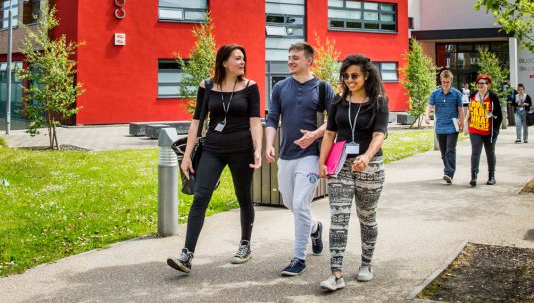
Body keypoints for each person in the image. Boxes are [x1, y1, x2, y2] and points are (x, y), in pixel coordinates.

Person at [167, 44, 262, 273]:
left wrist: (258, 149)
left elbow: (255, 121)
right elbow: (196, 122)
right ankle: (187, 255)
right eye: (238, 58)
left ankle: (245, 244)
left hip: (242, 149)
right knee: (200, 197)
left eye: (243, 58)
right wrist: (187, 155)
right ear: (224, 62)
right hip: (212, 148)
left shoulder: (250, 87)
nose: (242, 62)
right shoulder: (207, 86)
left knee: (243, 196)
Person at [318, 54, 389, 291]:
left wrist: (367, 156)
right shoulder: (338, 102)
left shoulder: (379, 102)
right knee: (338, 217)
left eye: (355, 75)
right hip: (341, 165)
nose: (350, 80)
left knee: (367, 217)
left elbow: (379, 134)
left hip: (370, 166)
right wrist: (322, 163)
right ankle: (336, 273)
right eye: (346, 76)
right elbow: (330, 134)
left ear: (366, 75)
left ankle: (366, 264)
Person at [265, 42, 335, 276]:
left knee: (300, 204)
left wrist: (315, 135)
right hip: (285, 155)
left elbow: (336, 121)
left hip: (311, 155)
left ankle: (298, 258)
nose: (290, 61)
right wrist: (268, 145)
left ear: (309, 61)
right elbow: (272, 118)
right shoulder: (280, 87)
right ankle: (315, 227)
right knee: (289, 203)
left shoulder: (323, 88)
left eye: (295, 58)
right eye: (289, 57)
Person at [425, 70, 465, 184]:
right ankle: (447, 170)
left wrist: (462, 121)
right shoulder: (435, 93)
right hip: (440, 127)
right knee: (443, 152)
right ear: (441, 81)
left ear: (451, 81)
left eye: (447, 82)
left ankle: (449, 173)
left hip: (452, 126)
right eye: (443, 82)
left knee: (450, 150)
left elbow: (460, 109)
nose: (445, 84)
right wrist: (427, 116)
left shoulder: (457, 93)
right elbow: (429, 106)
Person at [467, 74, 502, 186]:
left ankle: (491, 176)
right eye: (478, 83)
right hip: (475, 128)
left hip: (489, 130)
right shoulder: (472, 96)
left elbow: (499, 115)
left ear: (488, 85)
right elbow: (469, 111)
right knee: (475, 151)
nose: (480, 85)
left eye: (483, 83)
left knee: (490, 152)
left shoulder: (493, 97)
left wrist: (495, 130)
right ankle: (474, 176)